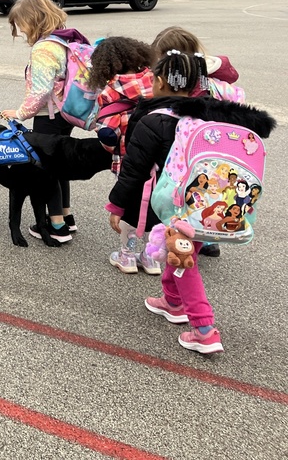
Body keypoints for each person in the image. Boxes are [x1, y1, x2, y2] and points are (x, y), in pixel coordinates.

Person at [105, 50, 274, 354]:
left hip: (178, 208)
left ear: (157, 82)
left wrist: (117, 206)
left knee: (185, 262)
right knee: (182, 254)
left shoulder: (152, 121)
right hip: (215, 207)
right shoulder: (214, 115)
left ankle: (204, 329)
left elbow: (133, 170)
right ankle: (172, 302)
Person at [0, 0, 89, 243]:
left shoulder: (43, 49)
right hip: (66, 113)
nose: (20, 30)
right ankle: (66, 216)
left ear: (32, 20)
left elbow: (40, 90)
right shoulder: (64, 40)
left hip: (48, 116)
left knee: (47, 170)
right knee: (61, 166)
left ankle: (56, 226)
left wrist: (18, 113)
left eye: (20, 24)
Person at [151, 25, 241, 257]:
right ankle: (208, 237)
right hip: (221, 149)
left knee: (187, 189)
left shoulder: (187, 84)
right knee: (211, 190)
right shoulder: (213, 79)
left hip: (192, 147)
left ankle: (183, 236)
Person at [84, 36, 158, 273]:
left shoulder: (109, 91)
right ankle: (151, 257)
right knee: (153, 207)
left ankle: (127, 255)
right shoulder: (154, 81)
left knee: (128, 206)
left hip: (127, 160)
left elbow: (109, 135)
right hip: (159, 160)